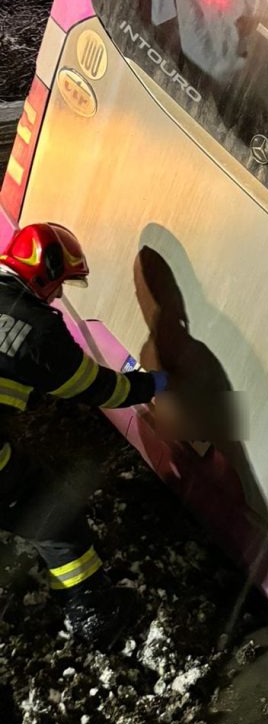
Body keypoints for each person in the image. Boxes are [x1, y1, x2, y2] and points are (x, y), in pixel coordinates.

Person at [0, 221, 169, 641]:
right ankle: (95, 612)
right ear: (43, 272)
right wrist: (156, 384)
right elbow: (98, 388)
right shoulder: (39, 331)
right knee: (48, 513)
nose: (58, 295)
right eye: (58, 284)